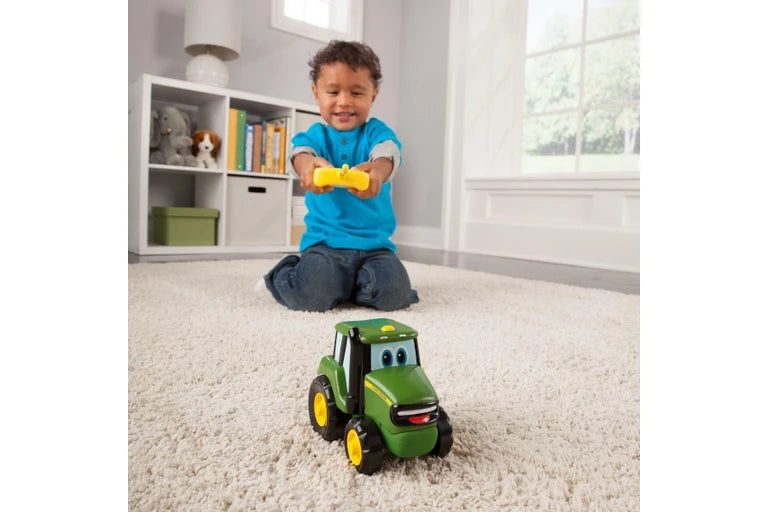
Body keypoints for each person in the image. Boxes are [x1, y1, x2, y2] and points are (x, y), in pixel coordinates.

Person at [261, 40, 419, 312]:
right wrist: (307, 165)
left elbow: (389, 153)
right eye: (332, 91)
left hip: (376, 248)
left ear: (374, 94)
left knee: (394, 293)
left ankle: (350, 284)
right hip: (325, 245)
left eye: (357, 93)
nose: (344, 102)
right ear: (316, 93)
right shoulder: (315, 135)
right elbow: (299, 153)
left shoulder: (377, 133)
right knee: (311, 295)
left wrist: (379, 171)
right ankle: (283, 274)